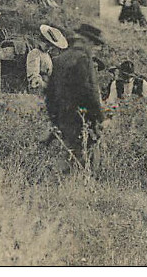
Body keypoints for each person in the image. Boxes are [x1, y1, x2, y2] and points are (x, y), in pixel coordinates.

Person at [44, 24, 106, 170]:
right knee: (86, 159)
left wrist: (54, 118)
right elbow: (89, 91)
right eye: (95, 45)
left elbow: (49, 92)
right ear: (88, 42)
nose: (94, 49)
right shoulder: (83, 59)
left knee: (68, 153)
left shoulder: (60, 59)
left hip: (62, 117)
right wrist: (99, 118)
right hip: (81, 117)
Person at [26, 24, 69, 91]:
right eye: (47, 44)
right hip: (38, 90)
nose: (49, 48)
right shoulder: (35, 53)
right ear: (42, 41)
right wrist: (49, 88)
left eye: (51, 46)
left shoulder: (47, 55)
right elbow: (34, 78)